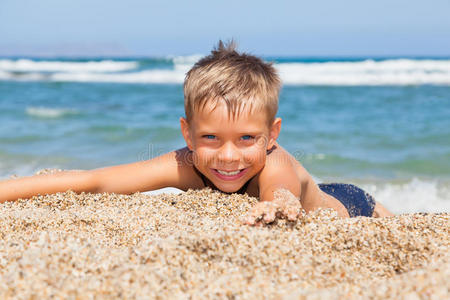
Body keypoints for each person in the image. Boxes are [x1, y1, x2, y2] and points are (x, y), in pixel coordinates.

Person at [0, 41, 393, 224]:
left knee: (393, 220)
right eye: (210, 138)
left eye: (246, 138)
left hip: (350, 203)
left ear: (271, 135)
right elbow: (95, 180)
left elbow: (282, 195)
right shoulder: (187, 165)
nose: (227, 156)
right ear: (188, 134)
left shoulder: (276, 166)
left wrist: (273, 207)